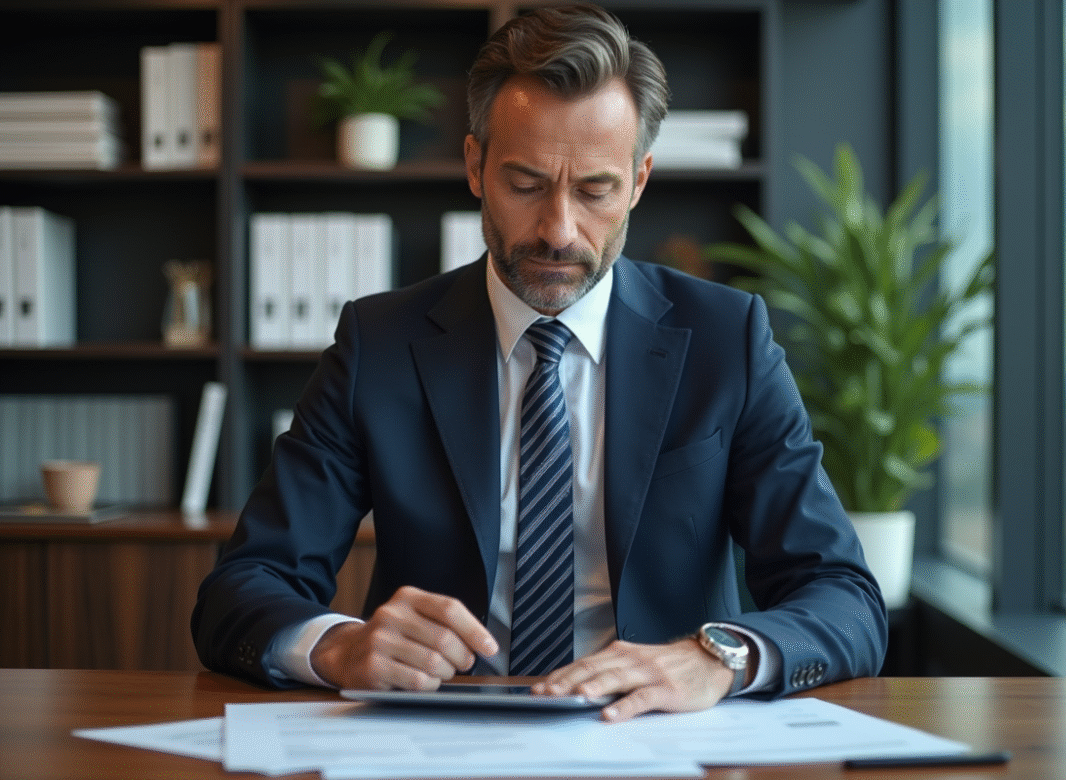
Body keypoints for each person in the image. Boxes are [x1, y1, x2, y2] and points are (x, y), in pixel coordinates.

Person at [192, 2, 886, 723]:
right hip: (439, 736)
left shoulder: (726, 339)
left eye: (595, 190)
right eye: (525, 185)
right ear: (474, 166)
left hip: (655, 739)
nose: (558, 230)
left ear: (639, 183)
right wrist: (336, 646)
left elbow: (844, 596)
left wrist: (718, 656)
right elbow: (243, 586)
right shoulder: (380, 343)